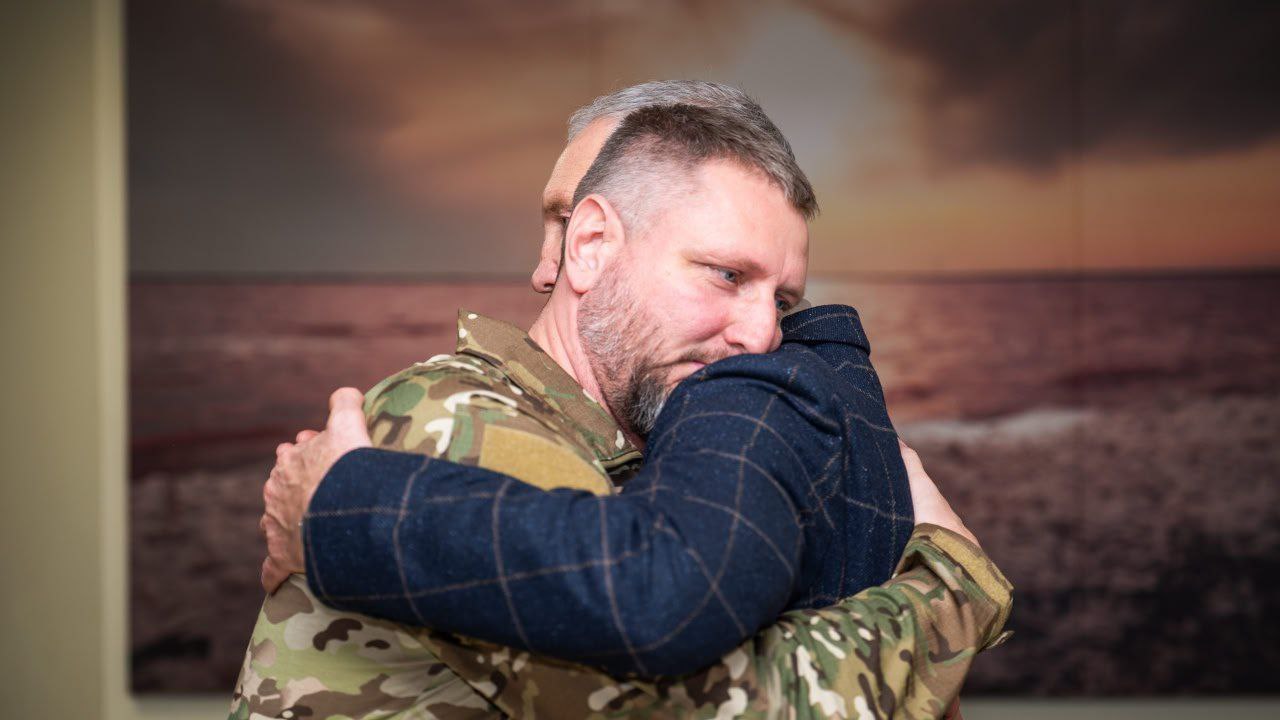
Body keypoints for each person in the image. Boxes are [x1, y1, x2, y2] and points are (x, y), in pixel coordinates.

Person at [238, 83, 1010, 720]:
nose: (762, 333)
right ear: (591, 246)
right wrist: (947, 589)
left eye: (784, 300)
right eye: (726, 275)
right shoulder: (456, 422)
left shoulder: (650, 454)